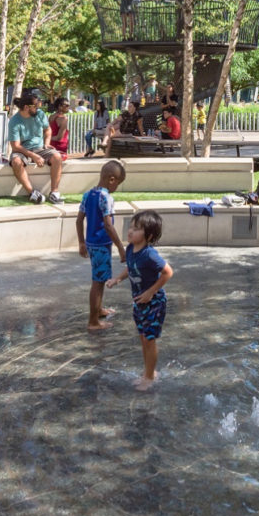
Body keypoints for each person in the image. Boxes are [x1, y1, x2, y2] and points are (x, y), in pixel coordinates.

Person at [124, 210, 173, 390]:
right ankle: (148, 372)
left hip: (154, 302)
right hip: (139, 302)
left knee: (149, 339)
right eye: (131, 226)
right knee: (143, 338)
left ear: (148, 235)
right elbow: (131, 268)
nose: (130, 231)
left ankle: (150, 377)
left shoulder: (149, 254)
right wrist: (117, 279)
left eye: (136, 229)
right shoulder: (130, 249)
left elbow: (168, 272)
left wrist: (151, 292)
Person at [77, 160, 127, 331]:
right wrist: (120, 247)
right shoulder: (106, 197)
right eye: (118, 184)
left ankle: (98, 310)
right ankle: (93, 321)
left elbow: (79, 220)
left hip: (91, 243)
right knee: (98, 283)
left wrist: (81, 243)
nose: (116, 188)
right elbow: (108, 225)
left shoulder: (88, 194)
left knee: (99, 278)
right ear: (111, 179)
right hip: (101, 244)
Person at [8, 93, 64, 205]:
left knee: (57, 157)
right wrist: (34, 156)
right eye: (35, 106)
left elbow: (47, 130)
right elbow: (16, 146)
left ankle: (54, 193)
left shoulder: (40, 114)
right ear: (26, 107)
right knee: (16, 161)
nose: (38, 108)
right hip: (22, 150)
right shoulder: (14, 121)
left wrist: (47, 143)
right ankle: (32, 193)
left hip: (40, 148)